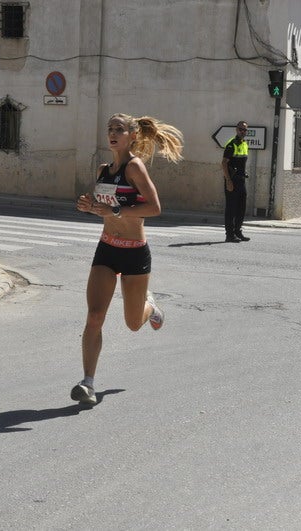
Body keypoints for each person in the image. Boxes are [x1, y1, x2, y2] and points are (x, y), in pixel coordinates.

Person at [72, 113, 184, 405]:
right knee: (95, 316)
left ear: (132, 136)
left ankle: (151, 307)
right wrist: (91, 207)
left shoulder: (135, 167)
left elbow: (155, 207)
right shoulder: (103, 170)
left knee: (133, 323)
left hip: (134, 252)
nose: (113, 133)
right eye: (109, 128)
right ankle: (88, 383)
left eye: (119, 129)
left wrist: (117, 212)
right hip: (107, 249)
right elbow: (105, 208)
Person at [221, 121, 251, 243]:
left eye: (244, 130)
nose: (242, 132)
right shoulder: (231, 144)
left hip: (241, 180)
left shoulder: (244, 144)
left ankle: (238, 231)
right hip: (232, 180)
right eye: (240, 129)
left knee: (241, 208)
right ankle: (229, 235)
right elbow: (223, 163)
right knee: (231, 209)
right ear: (236, 130)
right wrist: (228, 180)